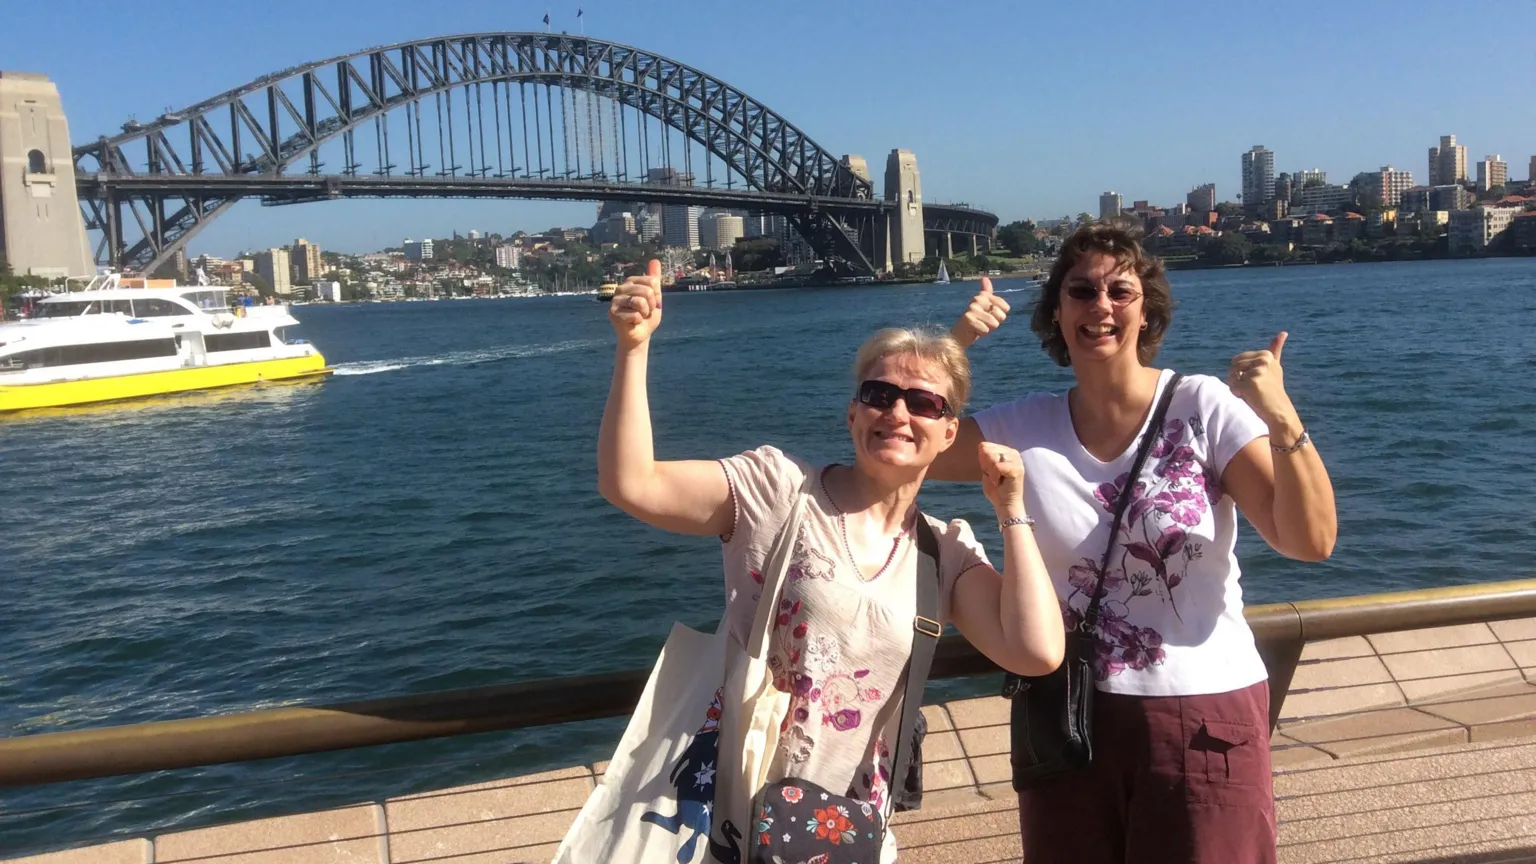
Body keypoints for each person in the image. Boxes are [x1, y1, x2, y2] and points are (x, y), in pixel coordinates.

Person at [598, 261, 1065, 860]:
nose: (897, 412)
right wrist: (633, 350)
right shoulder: (778, 492)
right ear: (853, 415)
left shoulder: (942, 551)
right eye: (879, 394)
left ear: (950, 435)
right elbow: (631, 483)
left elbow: (1036, 651)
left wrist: (1012, 511)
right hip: (728, 819)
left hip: (842, 832)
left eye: (923, 403)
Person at [931, 223, 1337, 864]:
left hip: (1203, 714)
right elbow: (898, 447)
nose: (1101, 307)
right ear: (1057, 312)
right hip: (1068, 717)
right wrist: (957, 343)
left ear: (1146, 309)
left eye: (1120, 291)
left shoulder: (1203, 406)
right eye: (1081, 291)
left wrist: (1281, 415)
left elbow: (1309, 540)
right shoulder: (1023, 425)